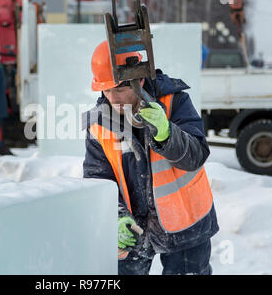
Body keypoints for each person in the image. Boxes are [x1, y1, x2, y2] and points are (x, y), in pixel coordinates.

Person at [82, 41, 219, 275]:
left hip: (185, 223)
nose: (113, 98)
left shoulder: (174, 101)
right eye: (106, 90)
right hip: (133, 230)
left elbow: (196, 156)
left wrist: (167, 135)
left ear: (140, 79)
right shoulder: (99, 123)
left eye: (120, 88)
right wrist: (115, 217)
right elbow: (97, 179)